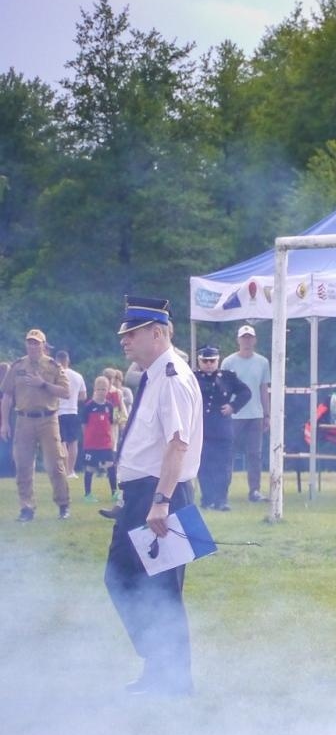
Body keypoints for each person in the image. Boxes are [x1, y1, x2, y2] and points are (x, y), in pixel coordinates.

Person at [105, 296, 204, 696]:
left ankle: (174, 679)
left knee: (161, 590)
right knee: (122, 577)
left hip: (162, 493)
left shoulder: (173, 377)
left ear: (158, 332)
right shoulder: (155, 376)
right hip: (144, 494)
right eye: (124, 335)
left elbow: (177, 445)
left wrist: (160, 500)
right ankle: (160, 665)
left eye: (133, 334)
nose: (125, 342)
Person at [0, 328, 73, 521]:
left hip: (48, 419)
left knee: (55, 464)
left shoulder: (53, 366)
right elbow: (6, 396)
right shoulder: (17, 366)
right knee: (23, 465)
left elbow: (66, 392)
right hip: (23, 420)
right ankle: (27, 508)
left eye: (36, 342)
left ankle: (63, 505)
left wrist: (43, 384)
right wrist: (4, 423)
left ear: (43, 345)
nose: (32, 346)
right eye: (29, 342)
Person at [195, 345, 251, 510]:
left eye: (212, 360)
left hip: (222, 428)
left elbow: (246, 392)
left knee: (224, 465)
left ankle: (221, 500)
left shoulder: (227, 377)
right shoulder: (193, 377)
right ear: (199, 361)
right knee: (204, 465)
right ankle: (207, 499)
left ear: (218, 360)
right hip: (202, 428)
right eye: (205, 361)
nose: (209, 364)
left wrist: (233, 406)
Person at [222, 324, 271, 503]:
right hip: (234, 415)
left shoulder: (263, 362)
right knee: (228, 452)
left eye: (250, 338)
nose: (247, 341)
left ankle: (255, 491)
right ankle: (222, 490)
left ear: (255, 340)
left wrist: (267, 414)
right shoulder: (228, 362)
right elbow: (223, 390)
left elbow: (263, 389)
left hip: (255, 414)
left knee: (255, 454)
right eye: (244, 338)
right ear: (238, 340)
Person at [80, 375, 120, 502]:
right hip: (91, 443)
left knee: (110, 465)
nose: (102, 392)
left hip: (105, 442)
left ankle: (114, 492)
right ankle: (88, 494)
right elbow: (84, 425)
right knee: (90, 468)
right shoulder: (89, 406)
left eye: (104, 389)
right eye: (99, 389)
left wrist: (112, 438)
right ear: (95, 389)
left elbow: (111, 423)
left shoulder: (109, 406)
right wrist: (87, 437)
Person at [53, 346, 87, 478]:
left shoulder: (56, 375)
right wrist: (73, 398)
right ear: (68, 360)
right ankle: (71, 470)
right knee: (73, 442)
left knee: (61, 442)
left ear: (57, 361)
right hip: (73, 411)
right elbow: (83, 396)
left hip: (58, 411)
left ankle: (62, 469)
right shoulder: (78, 376)